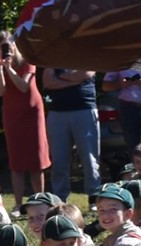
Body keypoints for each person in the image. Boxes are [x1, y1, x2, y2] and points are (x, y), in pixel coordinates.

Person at [0, 34, 47, 209]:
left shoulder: (28, 61)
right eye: (2, 48)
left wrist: (10, 69)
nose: (7, 50)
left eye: (8, 46)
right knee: (16, 161)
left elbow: (23, 86)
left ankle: (39, 200)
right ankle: (17, 204)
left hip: (32, 114)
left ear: (15, 45)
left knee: (36, 161)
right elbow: (0, 91)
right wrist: (1, 69)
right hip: (12, 115)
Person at [40, 65, 100, 198]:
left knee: (90, 158)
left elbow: (85, 74)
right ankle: (60, 198)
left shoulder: (87, 54)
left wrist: (59, 76)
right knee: (59, 159)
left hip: (85, 109)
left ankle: (94, 197)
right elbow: (48, 82)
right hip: (57, 112)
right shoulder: (54, 56)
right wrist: (72, 79)